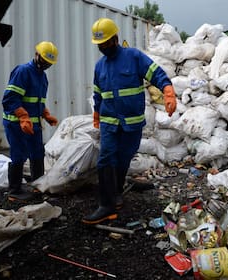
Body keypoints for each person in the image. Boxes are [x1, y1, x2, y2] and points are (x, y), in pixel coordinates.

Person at [82, 18, 177, 224]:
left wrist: (167, 90)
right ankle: (106, 205)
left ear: (115, 39)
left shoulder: (133, 57)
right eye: (99, 44)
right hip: (109, 122)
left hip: (131, 123)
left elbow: (156, 73)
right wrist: (97, 113)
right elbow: (98, 92)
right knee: (106, 159)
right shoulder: (100, 66)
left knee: (123, 158)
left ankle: (116, 193)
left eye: (105, 43)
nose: (102, 47)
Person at [2, 41, 59, 202]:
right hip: (15, 123)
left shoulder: (43, 77)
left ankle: (38, 185)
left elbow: (37, 101)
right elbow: (10, 99)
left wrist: (46, 114)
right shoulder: (23, 71)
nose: (46, 65)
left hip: (33, 124)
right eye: (44, 61)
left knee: (37, 153)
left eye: (49, 63)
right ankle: (14, 191)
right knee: (19, 155)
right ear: (37, 55)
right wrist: (22, 117)